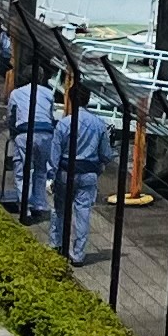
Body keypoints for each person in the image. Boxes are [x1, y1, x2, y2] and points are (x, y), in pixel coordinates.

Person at [53, 77, 113, 261]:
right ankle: (78, 254)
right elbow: (106, 154)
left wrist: (51, 173)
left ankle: (56, 244)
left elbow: (55, 152)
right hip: (88, 173)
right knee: (83, 212)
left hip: (65, 170)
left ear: (70, 99)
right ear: (88, 100)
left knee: (60, 209)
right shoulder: (99, 124)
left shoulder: (64, 123)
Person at [0, 63, 61, 218]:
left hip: (25, 132)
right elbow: (50, 115)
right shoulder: (48, 93)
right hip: (46, 133)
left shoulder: (16, 93)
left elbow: (12, 117)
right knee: (41, 170)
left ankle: (25, 206)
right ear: (41, 78)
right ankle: (39, 203)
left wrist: (13, 133)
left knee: (22, 170)